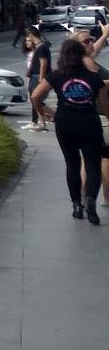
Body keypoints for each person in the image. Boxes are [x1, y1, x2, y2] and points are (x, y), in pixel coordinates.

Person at [29, 35, 109, 224]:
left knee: (72, 164)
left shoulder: (56, 76)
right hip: (89, 122)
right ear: (81, 56)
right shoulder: (93, 78)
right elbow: (105, 106)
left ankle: (76, 205)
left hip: (65, 123)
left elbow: (35, 96)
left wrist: (45, 113)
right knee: (93, 164)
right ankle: (90, 201)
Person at [23, 28, 52, 131]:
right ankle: (41, 123)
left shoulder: (41, 48)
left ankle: (55, 117)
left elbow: (43, 65)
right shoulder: (39, 47)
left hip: (38, 77)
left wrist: (41, 80)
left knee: (37, 100)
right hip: (34, 76)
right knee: (35, 100)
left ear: (31, 34)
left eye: (28, 36)